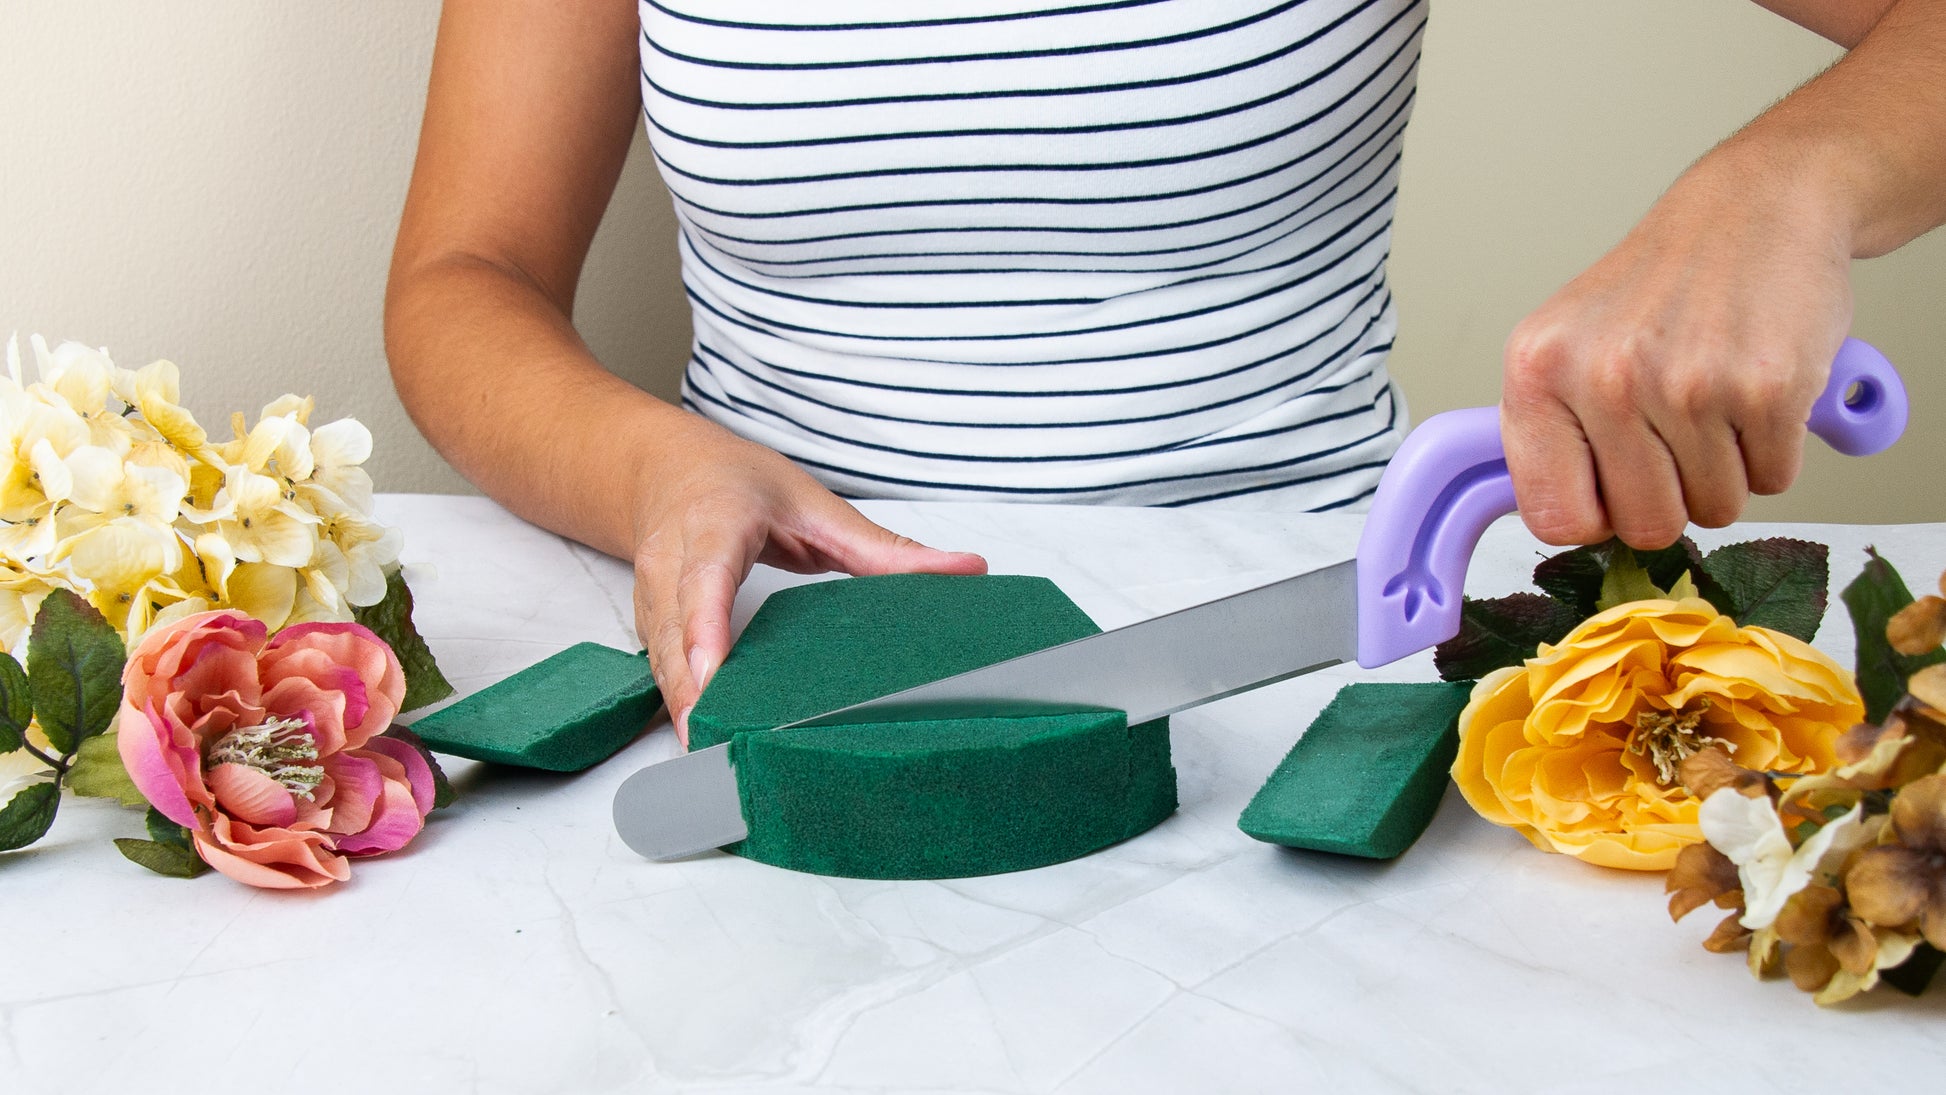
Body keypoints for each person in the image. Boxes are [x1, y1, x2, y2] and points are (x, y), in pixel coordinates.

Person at [385, 0, 1946, 743]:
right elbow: (467, 279)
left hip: (1304, 655)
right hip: (764, 659)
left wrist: (1778, 187)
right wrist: (652, 467)